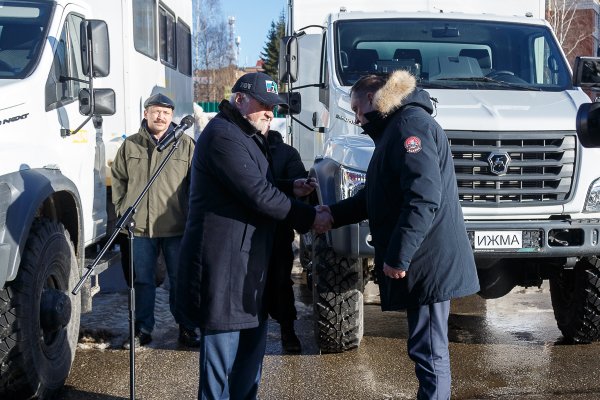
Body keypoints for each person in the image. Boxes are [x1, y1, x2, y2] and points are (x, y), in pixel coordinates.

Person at [321, 70, 480, 399]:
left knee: (430, 352)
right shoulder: (396, 128)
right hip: (424, 261)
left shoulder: (409, 127)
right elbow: (377, 196)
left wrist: (398, 256)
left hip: (428, 263)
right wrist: (332, 214)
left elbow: (423, 198)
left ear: (371, 98)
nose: (356, 118)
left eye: (355, 109)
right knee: (424, 349)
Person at [176, 72, 331, 400]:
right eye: (264, 105)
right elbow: (257, 193)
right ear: (240, 99)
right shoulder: (222, 135)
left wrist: (291, 187)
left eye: (273, 108)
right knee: (220, 371)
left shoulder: (247, 135)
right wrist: (309, 217)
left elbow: (258, 186)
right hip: (224, 271)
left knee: (249, 366)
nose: (270, 114)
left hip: (249, 272)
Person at [111, 92, 201, 349]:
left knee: (180, 279)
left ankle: (186, 327)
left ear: (172, 116)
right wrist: (121, 209)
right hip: (138, 227)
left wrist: (192, 216)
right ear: (145, 113)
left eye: (166, 112)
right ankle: (142, 329)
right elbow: (118, 179)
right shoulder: (131, 145)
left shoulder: (185, 145)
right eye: (155, 111)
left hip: (176, 226)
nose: (160, 116)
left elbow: (196, 185)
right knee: (141, 281)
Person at [264, 129, 307, 353]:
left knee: (269, 281)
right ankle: (288, 332)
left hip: (262, 227)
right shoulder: (288, 152)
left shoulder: (284, 152)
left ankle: (277, 330)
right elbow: (296, 184)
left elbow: (296, 185)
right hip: (279, 227)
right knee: (282, 282)